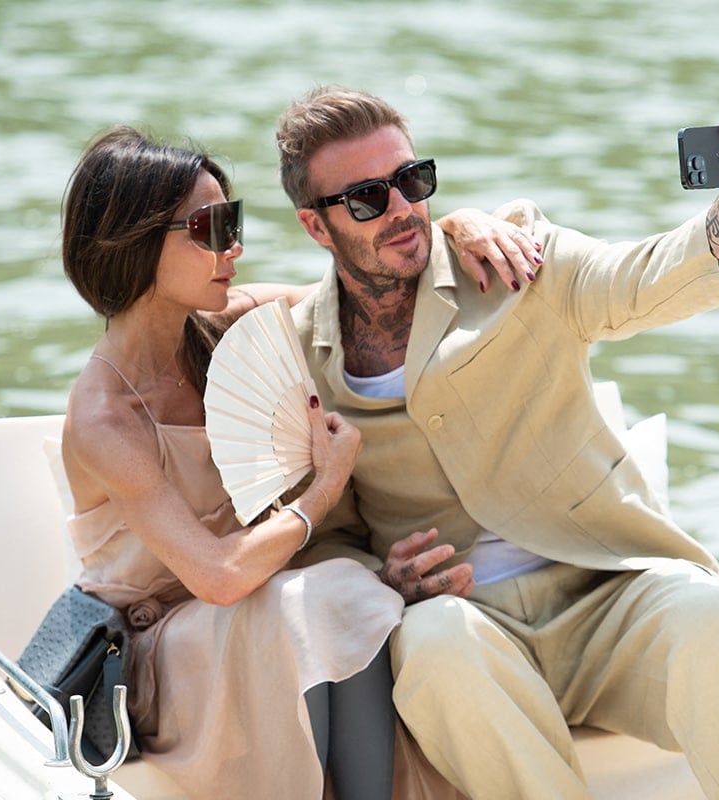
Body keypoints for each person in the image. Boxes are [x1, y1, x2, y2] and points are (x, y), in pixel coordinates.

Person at [276, 85, 719, 799]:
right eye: (365, 199)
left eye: (412, 181)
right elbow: (326, 534)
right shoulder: (300, 356)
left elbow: (636, 280)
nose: (400, 210)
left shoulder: (513, 259)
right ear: (316, 227)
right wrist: (384, 577)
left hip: (605, 595)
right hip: (470, 622)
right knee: (433, 644)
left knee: (709, 613)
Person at [56, 125, 533, 799]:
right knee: (330, 593)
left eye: (234, 221)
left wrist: (460, 224)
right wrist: (325, 486)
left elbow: (367, 270)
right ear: (134, 243)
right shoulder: (106, 418)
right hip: (157, 653)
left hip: (258, 608)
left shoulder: (227, 326)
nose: (234, 247)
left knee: (335, 594)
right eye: (209, 227)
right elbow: (218, 576)